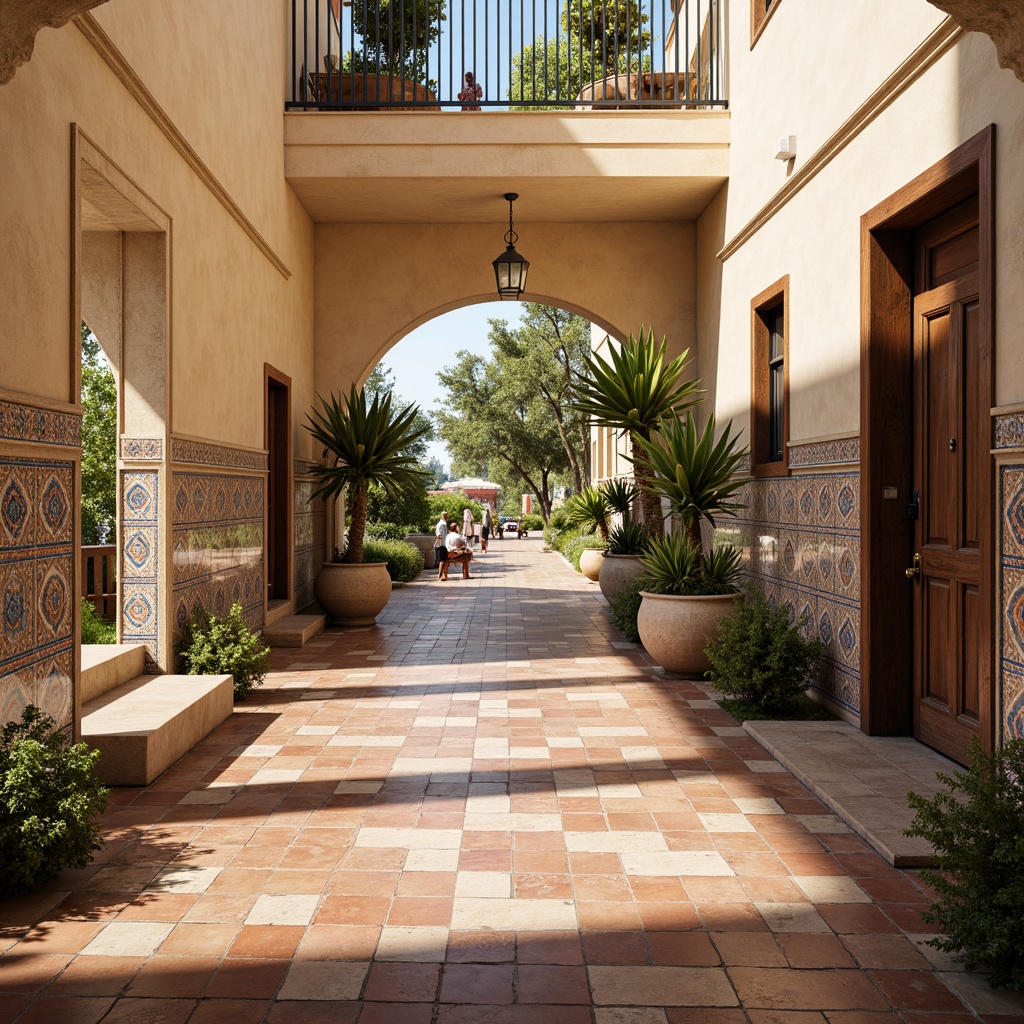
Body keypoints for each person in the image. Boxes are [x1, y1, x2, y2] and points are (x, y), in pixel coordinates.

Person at [434, 510, 449, 581]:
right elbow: (439, 534)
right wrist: (439, 536)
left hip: (443, 543)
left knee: (444, 560)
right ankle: (440, 575)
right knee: (442, 561)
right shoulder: (442, 524)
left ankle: (443, 575)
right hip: (442, 544)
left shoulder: (441, 523)